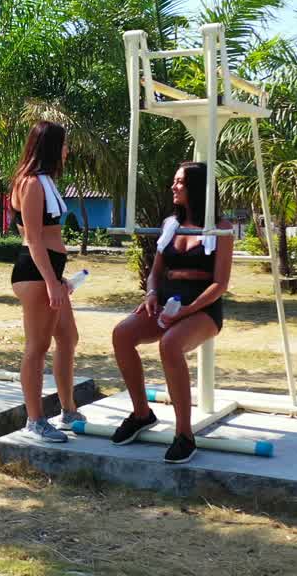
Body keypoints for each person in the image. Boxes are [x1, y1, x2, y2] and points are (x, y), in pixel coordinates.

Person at [109, 162, 231, 463]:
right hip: (166, 301)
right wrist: (151, 293)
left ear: (197, 188)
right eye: (174, 181)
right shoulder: (170, 224)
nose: (173, 187)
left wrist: (187, 310)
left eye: (179, 182)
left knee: (170, 345)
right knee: (122, 334)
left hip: (202, 307)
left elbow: (220, 283)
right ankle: (141, 413)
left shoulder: (222, 229)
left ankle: (184, 435)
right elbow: (155, 273)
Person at [9, 121, 83, 442]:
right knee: (37, 347)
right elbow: (34, 239)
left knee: (68, 338)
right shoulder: (31, 184)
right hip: (37, 273)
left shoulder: (45, 182)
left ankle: (68, 409)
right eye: (64, 144)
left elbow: (28, 231)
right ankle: (35, 420)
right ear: (52, 147)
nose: (67, 150)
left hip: (49, 271)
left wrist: (57, 277)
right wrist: (52, 282)